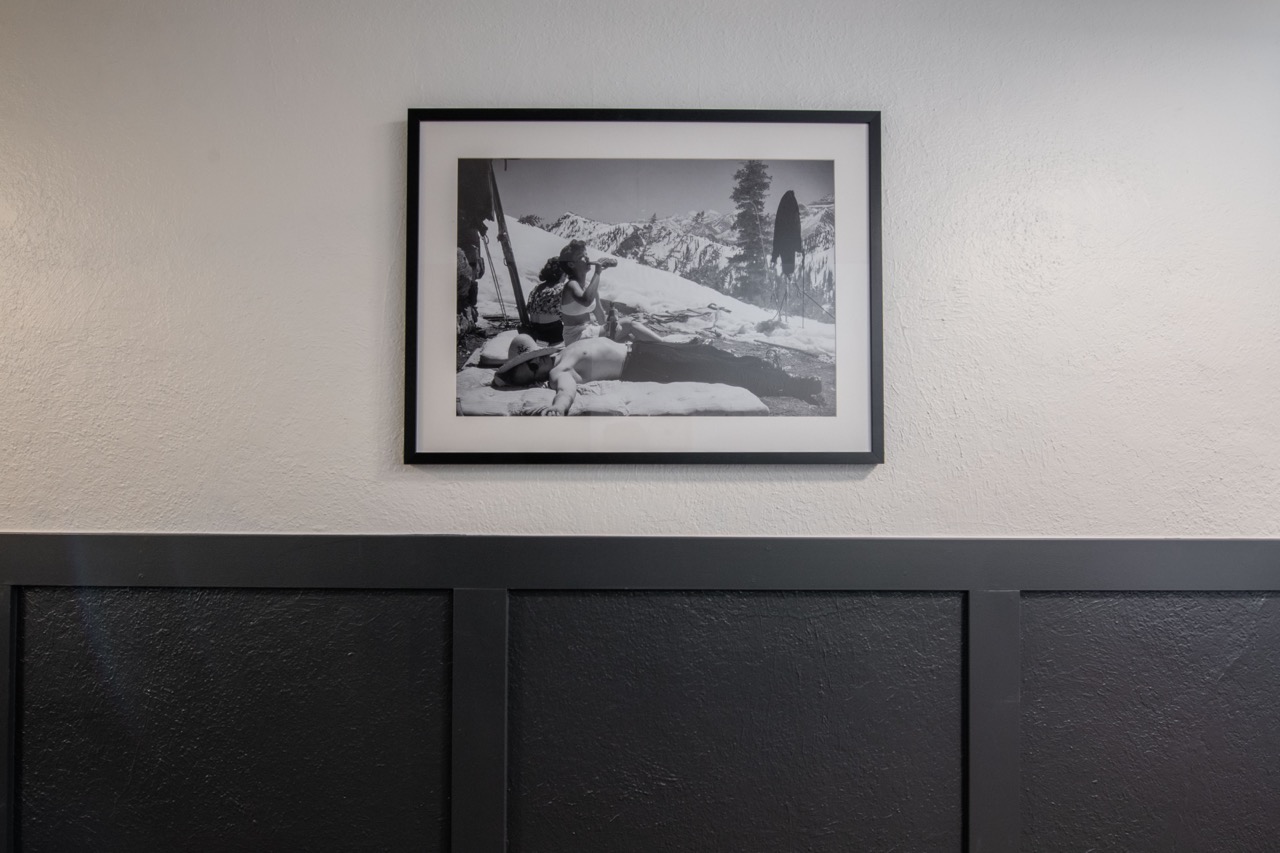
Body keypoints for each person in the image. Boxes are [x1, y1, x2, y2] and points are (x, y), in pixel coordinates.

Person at [492, 334, 822, 416]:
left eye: (532, 368)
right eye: (530, 375)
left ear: (537, 361)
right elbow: (565, 390)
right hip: (645, 356)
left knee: (715, 361)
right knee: (717, 364)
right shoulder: (565, 358)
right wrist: (559, 405)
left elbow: (565, 388)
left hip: (646, 358)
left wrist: (558, 404)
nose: (536, 375)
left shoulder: (563, 361)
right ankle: (791, 381)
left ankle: (785, 378)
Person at [555, 240, 665, 346]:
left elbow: (600, 316)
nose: (587, 258)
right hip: (576, 338)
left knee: (629, 338)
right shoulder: (571, 285)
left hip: (589, 332)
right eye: (581, 257)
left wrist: (611, 326)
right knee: (629, 324)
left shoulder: (590, 286)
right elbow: (586, 301)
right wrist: (597, 272)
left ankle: (660, 353)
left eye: (586, 254)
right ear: (571, 264)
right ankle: (667, 345)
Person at [523, 257, 567, 344]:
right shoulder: (561, 288)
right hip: (553, 337)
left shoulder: (536, 288)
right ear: (563, 273)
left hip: (536, 337)